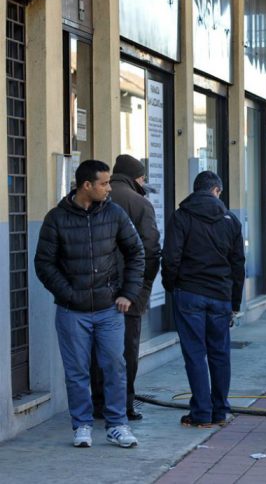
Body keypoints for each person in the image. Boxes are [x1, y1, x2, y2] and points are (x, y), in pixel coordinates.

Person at [34, 159, 144, 449]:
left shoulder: (115, 214)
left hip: (109, 309)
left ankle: (117, 425)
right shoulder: (56, 218)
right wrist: (69, 294)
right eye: (104, 183)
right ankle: (82, 425)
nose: (109, 188)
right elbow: (44, 264)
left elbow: (136, 252)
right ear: (86, 185)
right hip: (72, 312)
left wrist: (127, 293)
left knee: (115, 367)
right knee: (77, 371)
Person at [161, 171, 245, 428]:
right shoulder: (230, 220)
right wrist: (235, 302)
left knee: (195, 354)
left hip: (189, 293)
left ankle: (201, 412)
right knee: (220, 354)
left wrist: (172, 286)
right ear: (217, 191)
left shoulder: (181, 216)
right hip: (220, 296)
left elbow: (171, 257)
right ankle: (220, 410)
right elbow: (238, 264)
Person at [91, 154, 161, 421]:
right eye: (143, 178)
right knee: (127, 351)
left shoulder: (97, 198)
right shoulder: (140, 203)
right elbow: (151, 249)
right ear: (136, 178)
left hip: (95, 291)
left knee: (97, 349)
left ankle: (98, 404)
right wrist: (143, 288)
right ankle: (123, 405)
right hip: (129, 293)